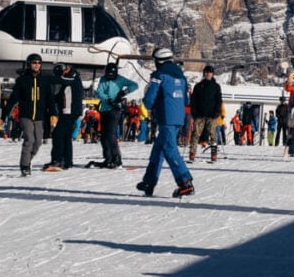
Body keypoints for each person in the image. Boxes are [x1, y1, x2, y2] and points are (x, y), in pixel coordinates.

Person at [137, 48, 194, 198]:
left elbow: (149, 99)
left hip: (166, 117)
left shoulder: (159, 74)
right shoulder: (181, 76)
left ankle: (185, 182)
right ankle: (149, 181)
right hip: (179, 117)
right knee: (158, 149)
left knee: (169, 149)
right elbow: (187, 100)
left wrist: (149, 104)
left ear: (158, 61)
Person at [2, 53, 54, 176]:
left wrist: (53, 114)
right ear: (29, 64)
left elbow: (50, 99)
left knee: (38, 142)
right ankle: (25, 166)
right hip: (26, 115)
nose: (37, 65)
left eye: (39, 63)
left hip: (40, 116)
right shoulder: (22, 80)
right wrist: (2, 116)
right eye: (34, 63)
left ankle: (27, 160)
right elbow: (13, 99)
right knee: (29, 139)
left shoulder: (44, 80)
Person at [94, 62, 138, 168]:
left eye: (112, 75)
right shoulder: (103, 79)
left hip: (115, 110)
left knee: (111, 135)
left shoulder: (120, 79)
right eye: (108, 74)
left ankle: (117, 158)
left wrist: (123, 92)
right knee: (103, 136)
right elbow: (99, 92)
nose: (110, 77)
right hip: (105, 109)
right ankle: (108, 158)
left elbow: (135, 85)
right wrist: (108, 99)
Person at [46, 62, 83, 171]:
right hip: (66, 111)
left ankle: (58, 160)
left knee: (58, 134)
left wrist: (43, 79)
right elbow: (61, 95)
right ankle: (67, 161)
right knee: (66, 137)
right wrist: (50, 100)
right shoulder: (68, 79)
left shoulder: (73, 76)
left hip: (70, 111)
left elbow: (61, 80)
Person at [188, 65, 222, 162]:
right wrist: (194, 112)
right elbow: (193, 100)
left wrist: (217, 112)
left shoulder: (216, 86)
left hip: (212, 115)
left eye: (210, 72)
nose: (208, 74)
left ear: (212, 74)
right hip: (200, 115)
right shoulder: (198, 86)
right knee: (195, 134)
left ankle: (214, 153)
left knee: (212, 134)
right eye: (206, 72)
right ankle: (192, 153)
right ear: (204, 73)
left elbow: (219, 100)